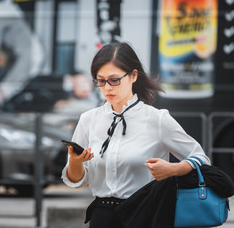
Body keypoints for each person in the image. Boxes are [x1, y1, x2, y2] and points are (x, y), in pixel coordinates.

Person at [61, 42, 210, 228]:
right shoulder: (88, 119)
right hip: (101, 217)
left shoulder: (157, 119)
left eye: (114, 80)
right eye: (100, 81)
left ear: (133, 76)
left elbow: (201, 158)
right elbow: (75, 180)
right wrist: (75, 162)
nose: (107, 88)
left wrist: (174, 169)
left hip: (144, 214)